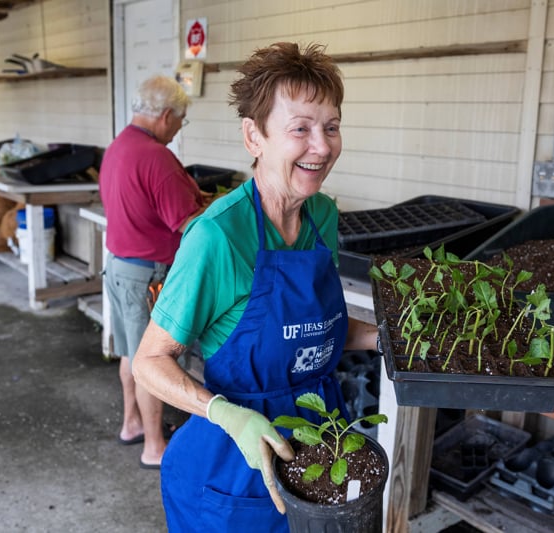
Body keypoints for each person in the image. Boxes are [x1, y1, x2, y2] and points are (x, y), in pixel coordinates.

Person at [132, 42, 379, 531]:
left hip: (320, 437)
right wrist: (224, 412)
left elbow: (312, 328)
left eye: (331, 127)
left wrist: (381, 337)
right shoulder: (218, 237)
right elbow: (148, 362)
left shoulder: (322, 216)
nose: (323, 146)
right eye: (301, 129)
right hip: (234, 464)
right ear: (254, 137)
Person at [99, 74, 206, 469]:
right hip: (148, 275)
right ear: (165, 116)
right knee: (154, 361)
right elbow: (188, 223)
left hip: (120, 267)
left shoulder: (118, 146)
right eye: (181, 120)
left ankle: (132, 424)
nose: (179, 128)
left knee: (131, 352)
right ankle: (155, 446)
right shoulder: (156, 156)